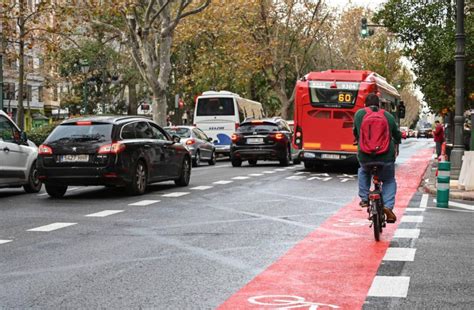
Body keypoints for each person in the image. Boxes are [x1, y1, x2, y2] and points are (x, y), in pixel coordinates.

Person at [353, 94, 401, 223]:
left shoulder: (359, 114)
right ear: (379, 105)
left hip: (365, 155)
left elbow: (356, 132)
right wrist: (398, 141)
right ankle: (388, 206)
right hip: (385, 156)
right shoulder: (388, 116)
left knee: (363, 171)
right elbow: (396, 134)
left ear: (365, 104)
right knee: (389, 180)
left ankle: (364, 198)